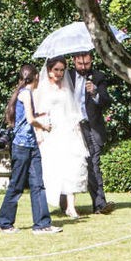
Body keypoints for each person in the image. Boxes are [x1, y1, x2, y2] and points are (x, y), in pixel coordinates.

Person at [0, 64, 58, 233]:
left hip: (31, 145)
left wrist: (41, 115)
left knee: (38, 184)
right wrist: (44, 126)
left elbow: (26, 118)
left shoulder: (23, 93)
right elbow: (30, 120)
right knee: (17, 185)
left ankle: (42, 224)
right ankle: (4, 223)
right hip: (22, 147)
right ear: (36, 76)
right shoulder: (26, 93)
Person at [35, 56, 89, 220]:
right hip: (51, 131)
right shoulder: (42, 89)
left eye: (61, 70)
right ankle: (49, 203)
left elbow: (72, 111)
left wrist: (76, 129)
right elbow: (37, 113)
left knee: (72, 166)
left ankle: (71, 207)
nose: (59, 73)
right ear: (49, 70)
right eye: (56, 70)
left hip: (67, 130)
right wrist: (40, 132)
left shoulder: (66, 89)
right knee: (53, 168)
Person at [68, 51, 113, 213]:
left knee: (94, 165)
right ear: (74, 61)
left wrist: (95, 92)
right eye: (80, 64)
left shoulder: (98, 77)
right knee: (69, 164)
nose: (83, 67)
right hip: (71, 128)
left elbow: (106, 101)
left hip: (91, 126)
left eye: (87, 64)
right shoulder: (66, 76)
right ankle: (66, 203)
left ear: (91, 61)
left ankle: (100, 204)